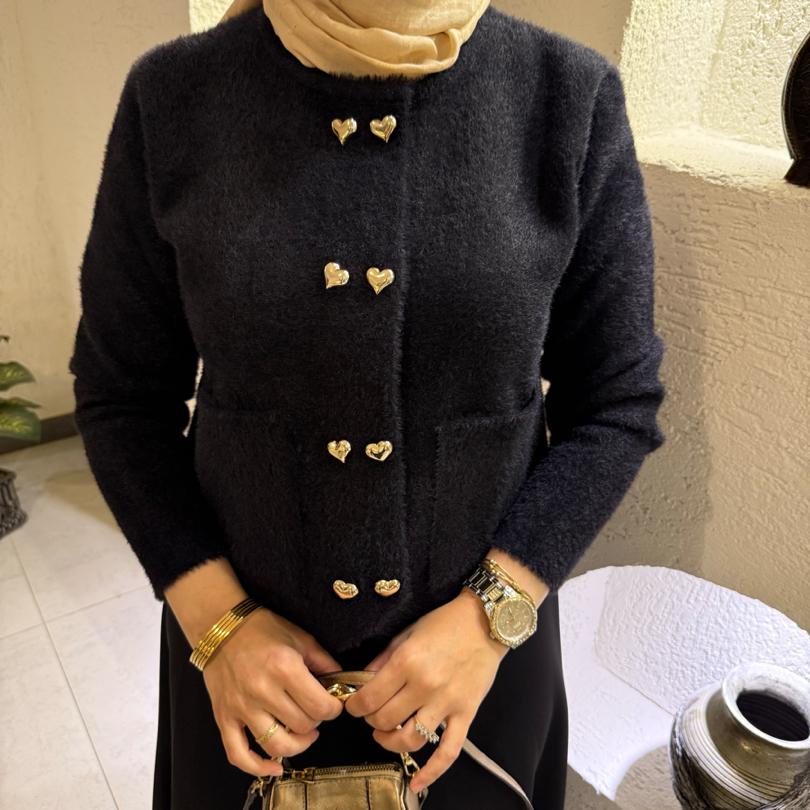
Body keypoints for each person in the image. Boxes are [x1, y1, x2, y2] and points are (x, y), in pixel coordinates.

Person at [68, 0, 667, 807]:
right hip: (244, 679)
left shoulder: (567, 96)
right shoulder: (175, 97)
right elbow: (121, 396)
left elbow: (616, 401)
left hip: (479, 677)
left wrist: (490, 616)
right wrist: (218, 625)